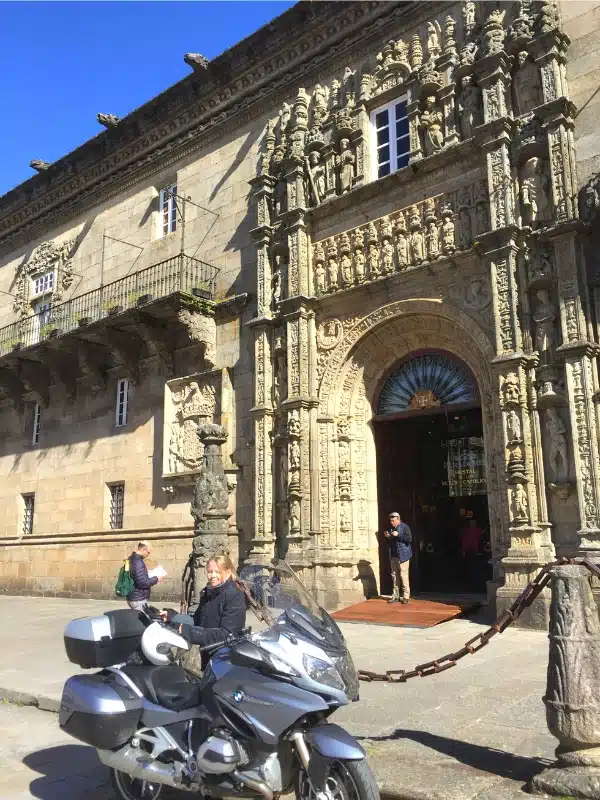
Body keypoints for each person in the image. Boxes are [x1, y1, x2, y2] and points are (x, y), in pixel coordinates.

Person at [171, 555, 246, 669]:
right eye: (210, 572)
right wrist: (172, 617)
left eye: (218, 572)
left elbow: (226, 634)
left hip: (224, 658)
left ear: (228, 572)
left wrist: (190, 632)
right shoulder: (208, 592)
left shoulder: (234, 595)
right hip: (208, 653)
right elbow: (197, 619)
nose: (213, 576)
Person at [384, 512, 412, 604]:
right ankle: (396, 596)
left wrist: (398, 535)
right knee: (395, 577)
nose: (391, 522)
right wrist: (388, 537)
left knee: (403, 576)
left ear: (398, 519)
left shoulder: (405, 527)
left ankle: (406, 596)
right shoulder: (391, 528)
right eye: (390, 520)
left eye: (393, 520)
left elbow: (409, 539)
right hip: (393, 556)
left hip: (403, 556)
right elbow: (390, 542)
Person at [127, 540, 163, 611]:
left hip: (134, 596)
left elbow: (135, 576)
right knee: (142, 620)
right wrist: (156, 578)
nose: (148, 554)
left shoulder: (131, 558)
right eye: (148, 552)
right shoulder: (138, 562)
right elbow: (143, 583)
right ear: (143, 549)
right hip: (138, 599)